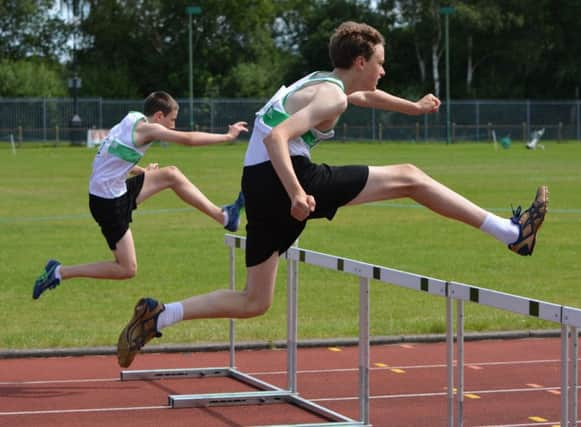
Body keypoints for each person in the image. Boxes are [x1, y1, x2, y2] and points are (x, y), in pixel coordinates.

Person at [116, 22, 548, 368]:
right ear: (360, 60)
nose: (383, 70)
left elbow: (365, 94)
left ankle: (161, 314)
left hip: (256, 183)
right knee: (411, 176)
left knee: (254, 300)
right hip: (284, 176)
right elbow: (278, 138)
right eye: (380, 62)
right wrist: (298, 194)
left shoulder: (322, 82)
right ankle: (511, 232)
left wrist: (413, 108)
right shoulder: (329, 97)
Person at [33, 91, 248, 300]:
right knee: (127, 268)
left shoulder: (132, 118)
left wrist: (143, 170)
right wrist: (228, 136)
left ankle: (225, 216)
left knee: (171, 174)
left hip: (113, 191)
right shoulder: (150, 130)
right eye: (172, 120)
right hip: (109, 203)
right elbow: (188, 139)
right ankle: (59, 271)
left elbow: (114, 155)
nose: (173, 126)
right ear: (158, 116)